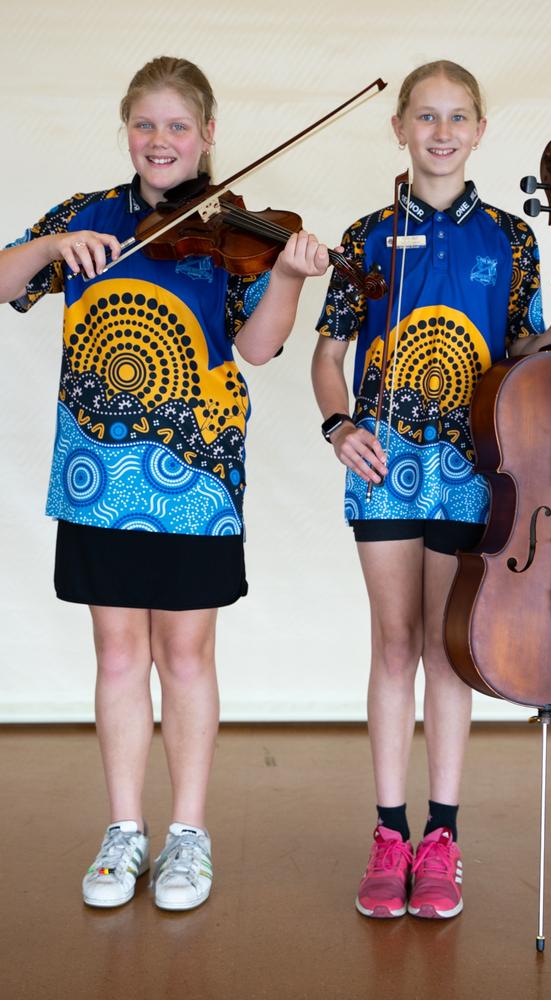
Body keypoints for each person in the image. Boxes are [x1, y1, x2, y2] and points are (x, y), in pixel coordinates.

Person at [0, 56, 330, 911]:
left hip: (197, 473)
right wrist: (45, 246)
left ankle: (187, 834)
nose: (160, 141)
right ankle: (123, 831)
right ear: (127, 130)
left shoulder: (233, 232)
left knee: (185, 655)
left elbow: (256, 350)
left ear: (209, 134)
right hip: (98, 473)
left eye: (178, 126)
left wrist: (288, 277)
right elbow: (3, 279)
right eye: (145, 124)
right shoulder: (87, 217)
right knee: (116, 653)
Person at [312, 60, 551, 919]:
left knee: (447, 649)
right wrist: (341, 427)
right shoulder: (364, 235)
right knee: (394, 645)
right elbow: (330, 357)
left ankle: (442, 837)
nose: (441, 132)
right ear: (399, 127)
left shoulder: (512, 239)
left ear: (479, 131)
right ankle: (389, 831)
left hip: (475, 473)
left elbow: (522, 360)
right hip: (383, 471)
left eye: (458, 118)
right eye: (425, 117)